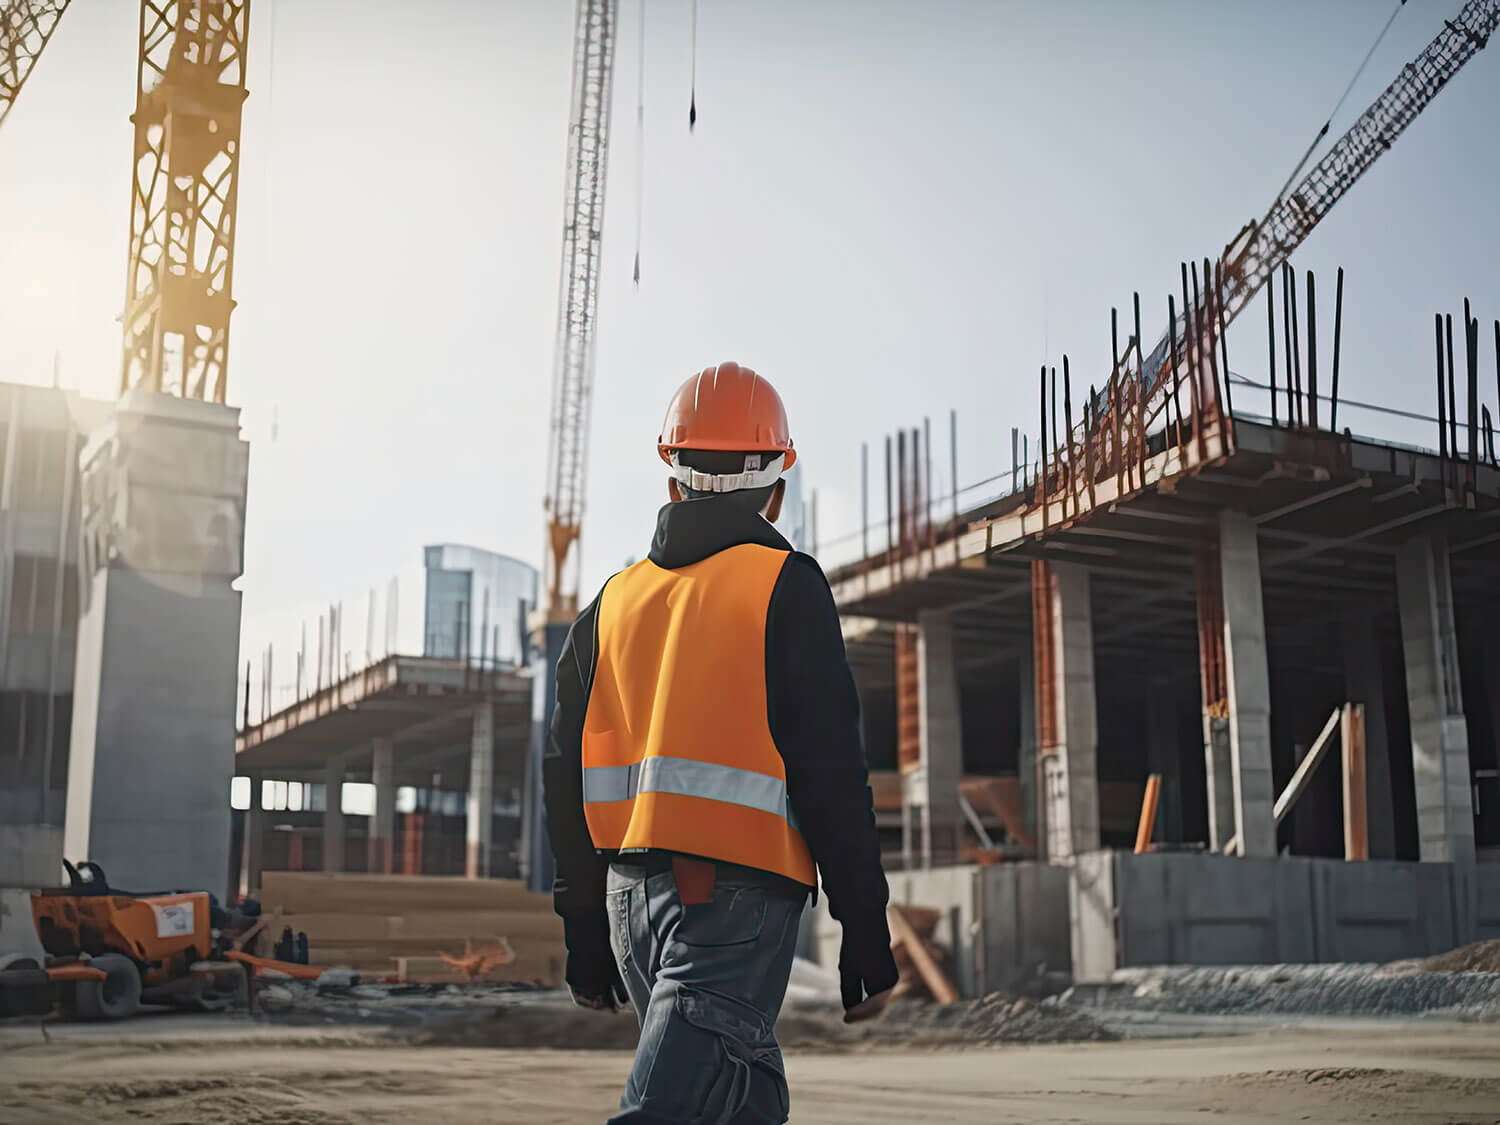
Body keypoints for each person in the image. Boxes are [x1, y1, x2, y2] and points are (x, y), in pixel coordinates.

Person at [545, 361, 898, 1124]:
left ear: (672, 478)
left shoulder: (608, 607)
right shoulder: (786, 585)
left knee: (736, 1101)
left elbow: (560, 776)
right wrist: (863, 926)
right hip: (732, 907)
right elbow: (832, 770)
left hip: (625, 907)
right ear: (775, 484)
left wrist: (584, 934)